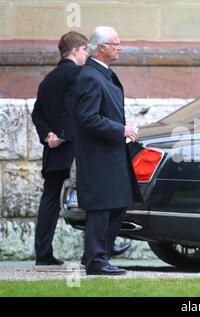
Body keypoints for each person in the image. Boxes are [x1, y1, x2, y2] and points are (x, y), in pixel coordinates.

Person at [74, 26, 142, 275]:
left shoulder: (102, 73)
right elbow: (88, 118)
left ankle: (97, 255)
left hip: (110, 153)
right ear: (101, 48)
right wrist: (121, 129)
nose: (120, 48)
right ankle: (96, 261)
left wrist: (121, 129)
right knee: (102, 206)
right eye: (116, 44)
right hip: (98, 155)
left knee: (118, 203)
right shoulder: (91, 76)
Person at [32, 31, 89, 266]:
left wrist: (48, 135)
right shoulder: (77, 73)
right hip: (72, 149)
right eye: (85, 49)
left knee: (50, 200)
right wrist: (63, 136)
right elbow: (70, 108)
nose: (87, 54)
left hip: (54, 151)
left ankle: (43, 253)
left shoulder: (49, 79)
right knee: (93, 198)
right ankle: (94, 252)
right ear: (74, 50)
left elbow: (37, 113)